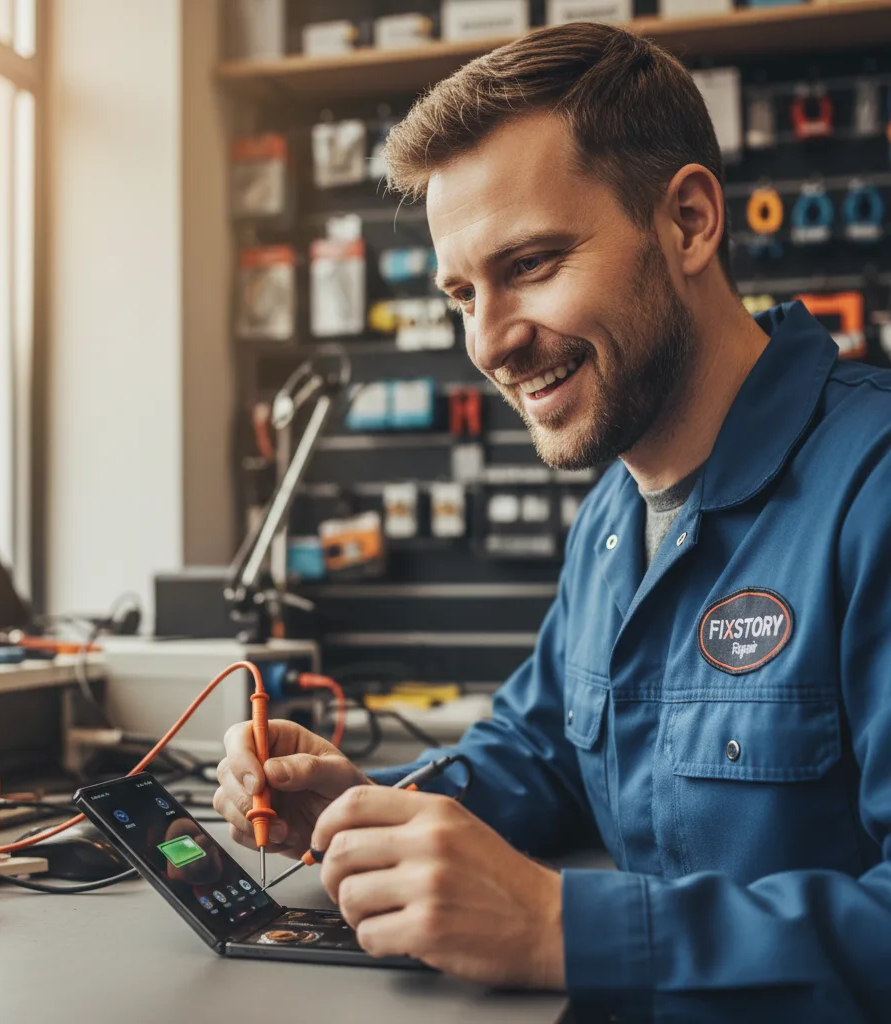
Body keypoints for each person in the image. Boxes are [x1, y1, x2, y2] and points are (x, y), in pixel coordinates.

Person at [214, 22, 891, 1020]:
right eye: (460, 293)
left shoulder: (870, 490)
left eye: (529, 263)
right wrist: (374, 801)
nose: (488, 342)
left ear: (691, 222)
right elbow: (541, 759)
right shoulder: (618, 510)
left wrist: (561, 928)